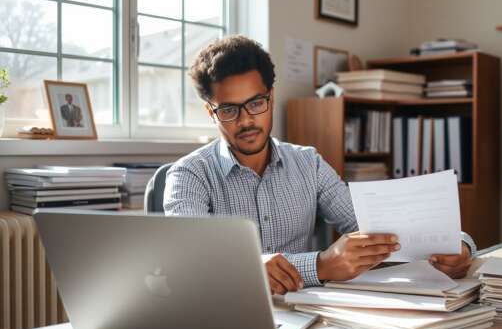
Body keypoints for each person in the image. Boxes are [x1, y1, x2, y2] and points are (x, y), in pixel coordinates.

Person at [164, 35, 475, 295]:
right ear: (211, 112)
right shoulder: (189, 175)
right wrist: (320, 264)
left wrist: (458, 247)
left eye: (256, 103)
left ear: (271, 97)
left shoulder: (307, 163)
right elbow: (194, 264)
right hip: (231, 317)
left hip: (310, 315)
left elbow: (375, 228)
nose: (246, 121)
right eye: (229, 110)